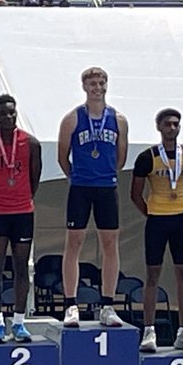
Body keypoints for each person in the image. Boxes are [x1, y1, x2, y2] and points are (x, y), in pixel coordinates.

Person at [58, 67, 129, 328]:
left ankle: (108, 305)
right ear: (84, 87)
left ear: (107, 85)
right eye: (92, 83)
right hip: (80, 186)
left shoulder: (119, 120)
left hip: (107, 187)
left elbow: (121, 156)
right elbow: (62, 155)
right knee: (74, 243)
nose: (97, 87)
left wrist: (107, 173)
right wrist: (76, 175)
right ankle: (70, 304)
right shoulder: (72, 119)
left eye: (101, 82)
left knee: (110, 243)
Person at [129, 108, 183, 353]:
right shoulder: (147, 157)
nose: (172, 127)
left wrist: (178, 207)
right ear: (159, 127)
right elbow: (135, 194)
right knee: (152, 275)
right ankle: (148, 330)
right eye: (168, 124)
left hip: (181, 219)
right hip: (157, 221)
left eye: (176, 124)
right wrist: (152, 212)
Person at [0, 94, 42, 343]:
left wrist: (21, 199)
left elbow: (35, 179)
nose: (9, 117)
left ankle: (20, 322)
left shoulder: (31, 143)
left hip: (23, 211)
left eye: (12, 112)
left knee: (21, 267)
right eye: (3, 113)